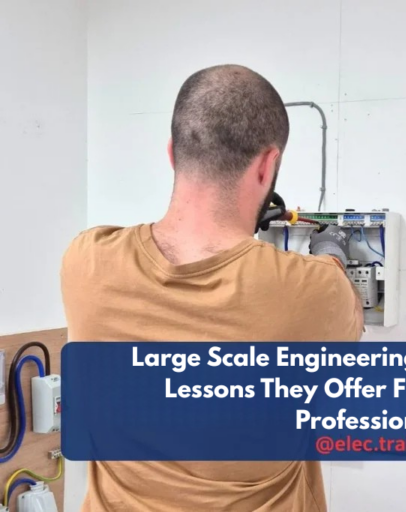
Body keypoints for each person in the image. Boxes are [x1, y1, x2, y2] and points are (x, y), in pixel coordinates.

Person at [60, 64, 363, 512]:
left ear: (172, 153)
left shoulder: (86, 260)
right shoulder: (314, 290)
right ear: (268, 165)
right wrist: (331, 249)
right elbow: (344, 311)